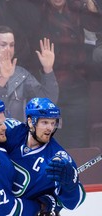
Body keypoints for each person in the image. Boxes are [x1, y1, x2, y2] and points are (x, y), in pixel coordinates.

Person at [0, 97, 86, 215]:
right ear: (30, 122)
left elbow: (75, 203)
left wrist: (70, 185)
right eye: (45, 122)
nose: (50, 128)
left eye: (53, 123)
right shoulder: (13, 130)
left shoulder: (58, 158)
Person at [28, 0, 102, 148]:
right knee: (52, 137)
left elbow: (95, 24)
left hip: (77, 83)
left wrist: (90, 3)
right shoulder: (39, 11)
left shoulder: (76, 7)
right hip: (51, 83)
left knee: (78, 138)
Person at [0, 12, 58, 122]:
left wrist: (48, 69)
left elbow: (48, 104)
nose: (8, 49)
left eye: (12, 45)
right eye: (3, 45)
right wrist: (3, 79)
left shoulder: (21, 75)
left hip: (16, 136)